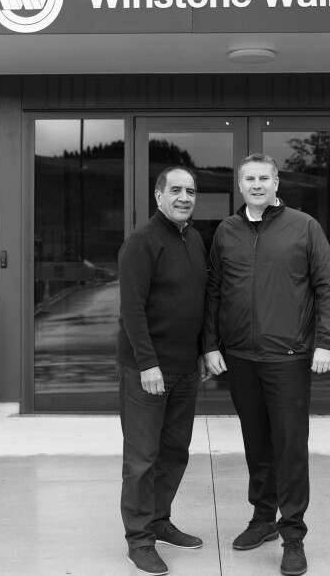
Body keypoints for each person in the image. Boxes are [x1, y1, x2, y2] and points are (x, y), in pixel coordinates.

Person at [202, 153, 330, 576]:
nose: (257, 185)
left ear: (277, 183)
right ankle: (263, 518)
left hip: (288, 358)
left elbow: (328, 285)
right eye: (250, 179)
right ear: (240, 185)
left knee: (290, 447)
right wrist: (210, 345)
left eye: (265, 178)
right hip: (240, 358)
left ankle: (293, 535)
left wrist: (326, 341)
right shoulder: (227, 231)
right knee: (256, 444)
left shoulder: (304, 227)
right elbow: (214, 291)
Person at [117, 166, 209, 576]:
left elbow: (198, 301)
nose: (184, 197)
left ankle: (159, 520)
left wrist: (203, 351)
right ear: (159, 196)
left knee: (174, 452)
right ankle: (139, 540)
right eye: (175, 190)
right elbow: (131, 309)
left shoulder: (194, 239)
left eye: (190, 191)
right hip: (147, 371)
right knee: (142, 458)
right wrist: (148, 363)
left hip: (185, 368)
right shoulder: (142, 241)